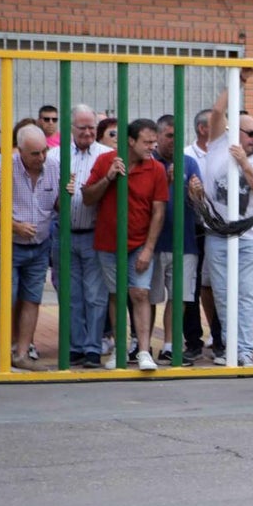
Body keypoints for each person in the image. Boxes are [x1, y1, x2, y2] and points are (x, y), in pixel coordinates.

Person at [189, 70, 253, 367]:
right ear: (234, 131)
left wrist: (244, 163)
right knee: (223, 295)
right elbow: (216, 111)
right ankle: (231, 348)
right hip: (219, 234)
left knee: (247, 295)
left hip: (252, 237)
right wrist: (238, 81)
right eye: (250, 133)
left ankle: (246, 352)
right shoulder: (217, 143)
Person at [83, 118, 169, 371]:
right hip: (109, 243)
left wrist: (149, 248)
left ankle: (143, 351)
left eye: (155, 141)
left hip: (140, 243)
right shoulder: (105, 161)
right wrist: (109, 178)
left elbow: (158, 212)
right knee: (116, 294)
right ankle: (120, 349)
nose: (152, 147)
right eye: (147, 142)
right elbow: (87, 197)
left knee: (140, 293)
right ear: (131, 141)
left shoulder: (156, 170)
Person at [0, 125, 61, 372]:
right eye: (35, 153)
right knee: (3, 298)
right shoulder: (2, 169)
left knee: (32, 298)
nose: (41, 158)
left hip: (39, 244)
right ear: (20, 150)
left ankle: (21, 352)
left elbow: (56, 204)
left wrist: (65, 195)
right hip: (8, 244)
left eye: (44, 151)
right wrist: (15, 226)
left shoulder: (53, 168)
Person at [150, 114, 203, 366]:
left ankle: (171, 345)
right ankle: (142, 344)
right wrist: (164, 182)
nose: (173, 141)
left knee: (179, 297)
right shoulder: (148, 163)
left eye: (177, 136)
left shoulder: (189, 163)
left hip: (185, 243)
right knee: (148, 296)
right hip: (152, 242)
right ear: (158, 136)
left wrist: (196, 194)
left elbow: (199, 203)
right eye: (169, 135)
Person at [61, 104, 108, 368]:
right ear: (71, 129)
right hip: (64, 234)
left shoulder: (106, 154)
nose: (88, 132)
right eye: (83, 127)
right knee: (71, 295)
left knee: (95, 295)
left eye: (92, 127)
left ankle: (93, 347)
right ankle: (75, 346)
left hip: (94, 233)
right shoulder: (56, 156)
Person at [184, 108, 221, 361]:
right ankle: (193, 341)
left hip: (219, 229)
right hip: (193, 228)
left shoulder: (224, 153)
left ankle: (220, 338)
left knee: (217, 285)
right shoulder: (187, 155)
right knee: (191, 287)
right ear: (202, 129)